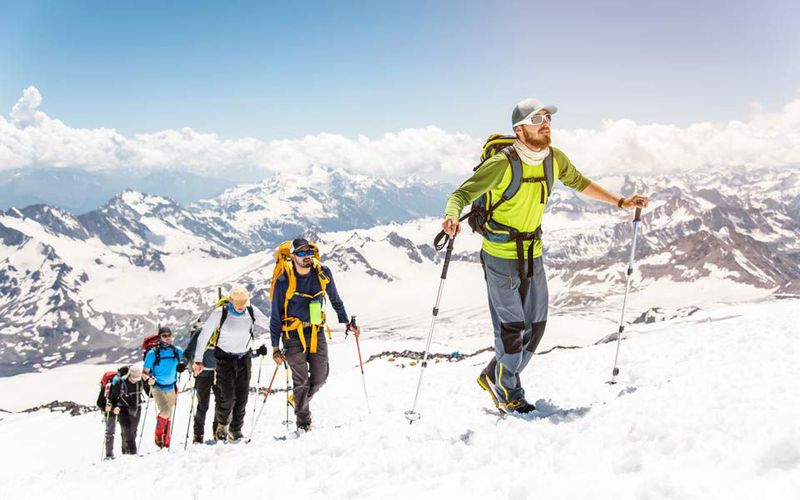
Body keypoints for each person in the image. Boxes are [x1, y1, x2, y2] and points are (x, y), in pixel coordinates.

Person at [442, 98, 650, 414]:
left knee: (535, 329)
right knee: (512, 330)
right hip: (500, 256)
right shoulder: (502, 163)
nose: (546, 123)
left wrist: (620, 202)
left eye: (548, 118)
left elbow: (579, 182)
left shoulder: (554, 159)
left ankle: (494, 374)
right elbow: (461, 194)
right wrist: (451, 215)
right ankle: (509, 390)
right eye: (538, 118)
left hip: (533, 254)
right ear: (520, 128)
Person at [270, 238, 360, 432]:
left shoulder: (322, 273)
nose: (307, 256)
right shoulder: (284, 280)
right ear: (293, 256)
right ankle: (304, 422)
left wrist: (346, 322)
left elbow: (335, 299)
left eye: (309, 252)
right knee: (300, 380)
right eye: (301, 253)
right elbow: (276, 315)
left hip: (316, 331)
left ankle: (299, 400)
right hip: (292, 334)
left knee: (320, 376)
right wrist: (275, 347)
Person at [192, 286, 270, 442]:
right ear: (231, 300)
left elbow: (270, 325)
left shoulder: (251, 311)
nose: (240, 305)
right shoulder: (221, 312)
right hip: (224, 359)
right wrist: (198, 360)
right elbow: (204, 336)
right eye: (237, 301)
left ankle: (236, 430)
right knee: (227, 397)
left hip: (244, 358)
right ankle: (222, 425)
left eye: (243, 301)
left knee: (242, 397)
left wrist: (282, 339)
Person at [142, 326, 185, 448]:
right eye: (164, 336)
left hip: (171, 387)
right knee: (165, 411)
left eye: (169, 335)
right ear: (160, 337)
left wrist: (185, 366)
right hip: (157, 387)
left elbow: (187, 359)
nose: (167, 338)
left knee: (169, 414)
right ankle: (158, 433)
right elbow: (144, 372)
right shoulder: (152, 353)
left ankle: (165, 443)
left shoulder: (177, 351)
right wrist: (148, 378)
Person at [181, 319, 220, 444]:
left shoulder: (222, 332)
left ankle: (218, 430)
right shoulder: (200, 332)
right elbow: (189, 350)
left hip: (219, 373)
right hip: (202, 373)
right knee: (203, 405)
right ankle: (198, 434)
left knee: (221, 402)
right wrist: (183, 363)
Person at [104, 363, 147, 458]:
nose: (134, 381)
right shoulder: (120, 383)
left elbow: (149, 393)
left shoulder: (140, 381)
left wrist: (151, 382)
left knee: (134, 430)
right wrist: (114, 407)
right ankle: (132, 452)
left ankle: (127, 452)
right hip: (122, 408)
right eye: (133, 379)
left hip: (137, 407)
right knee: (127, 429)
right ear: (129, 375)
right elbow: (113, 398)